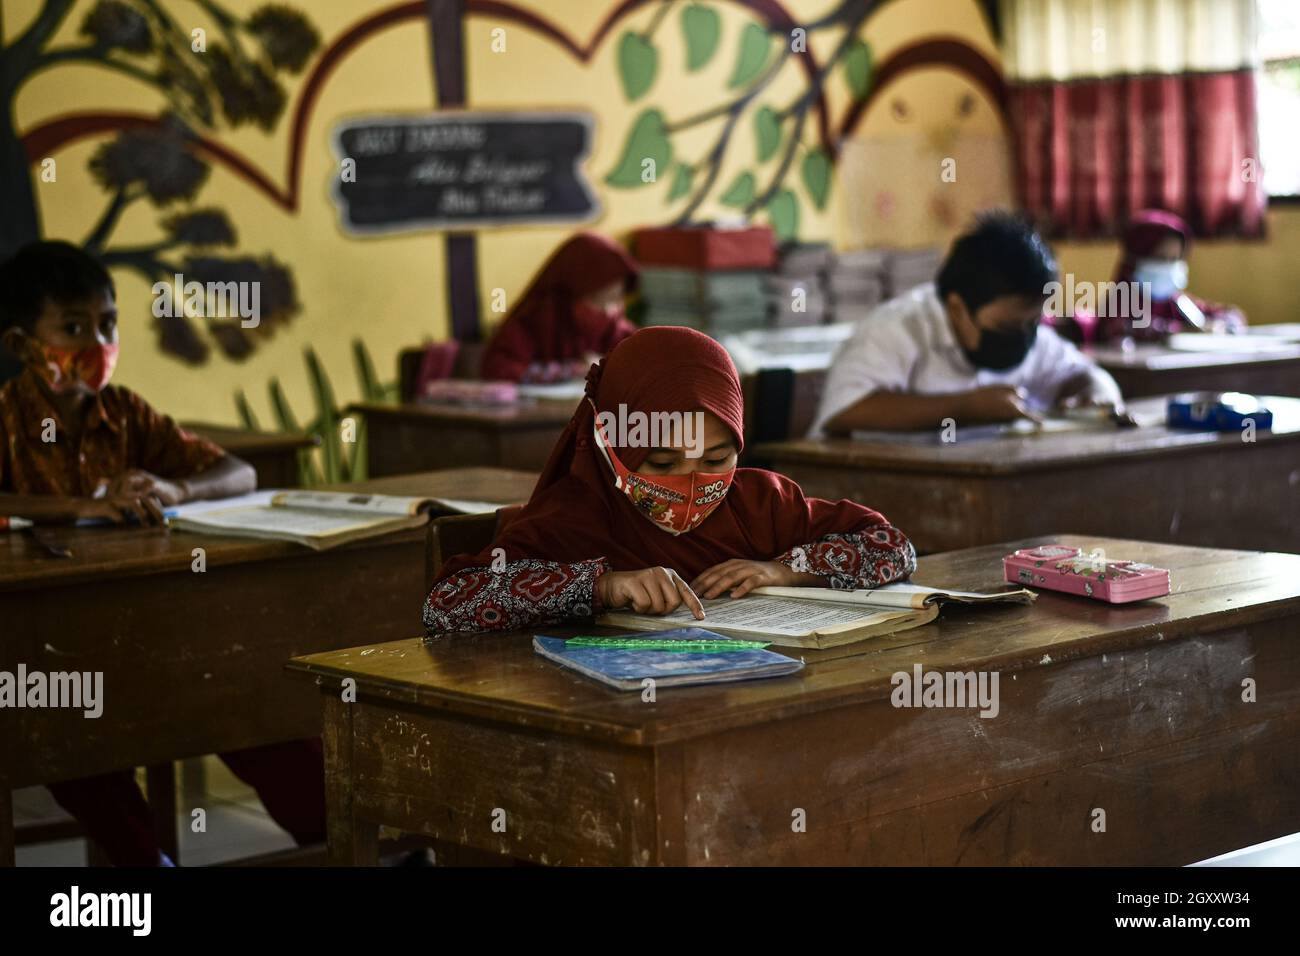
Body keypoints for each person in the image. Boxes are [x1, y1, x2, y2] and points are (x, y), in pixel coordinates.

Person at [0, 240, 324, 865]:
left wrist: (176, 487)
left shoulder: (124, 413)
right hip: (46, 653)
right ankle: (145, 866)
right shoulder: (8, 418)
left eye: (107, 323)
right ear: (19, 346)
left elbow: (238, 475)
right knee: (75, 739)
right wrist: (79, 509)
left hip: (143, 638)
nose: (97, 342)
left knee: (244, 705)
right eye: (72, 327)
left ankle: (344, 842)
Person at [424, 326, 917, 635]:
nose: (692, 483)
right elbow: (447, 605)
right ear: (611, 444)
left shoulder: (762, 503)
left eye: (717, 458)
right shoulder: (573, 518)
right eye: (662, 465)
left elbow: (893, 547)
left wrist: (786, 570)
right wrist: (603, 587)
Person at [811, 213, 1127, 436]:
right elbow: (843, 412)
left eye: (1034, 322)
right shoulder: (896, 329)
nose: (1024, 336)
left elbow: (1090, 376)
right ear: (958, 309)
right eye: (1007, 327)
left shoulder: (1024, 328)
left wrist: (1094, 395)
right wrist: (966, 408)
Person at [480, 232, 639, 383]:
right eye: (596, 299)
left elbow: (643, 368)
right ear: (566, 295)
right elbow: (496, 369)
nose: (608, 311)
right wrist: (571, 371)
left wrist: (609, 368)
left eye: (616, 300)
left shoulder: (620, 332)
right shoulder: (530, 324)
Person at [1099, 209, 1246, 342]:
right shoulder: (1120, 302)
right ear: (1136, 259)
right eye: (1161, 258)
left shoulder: (1177, 303)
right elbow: (1123, 329)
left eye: (1175, 259)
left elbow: (1228, 314)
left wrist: (1224, 324)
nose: (1168, 266)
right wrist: (1182, 331)